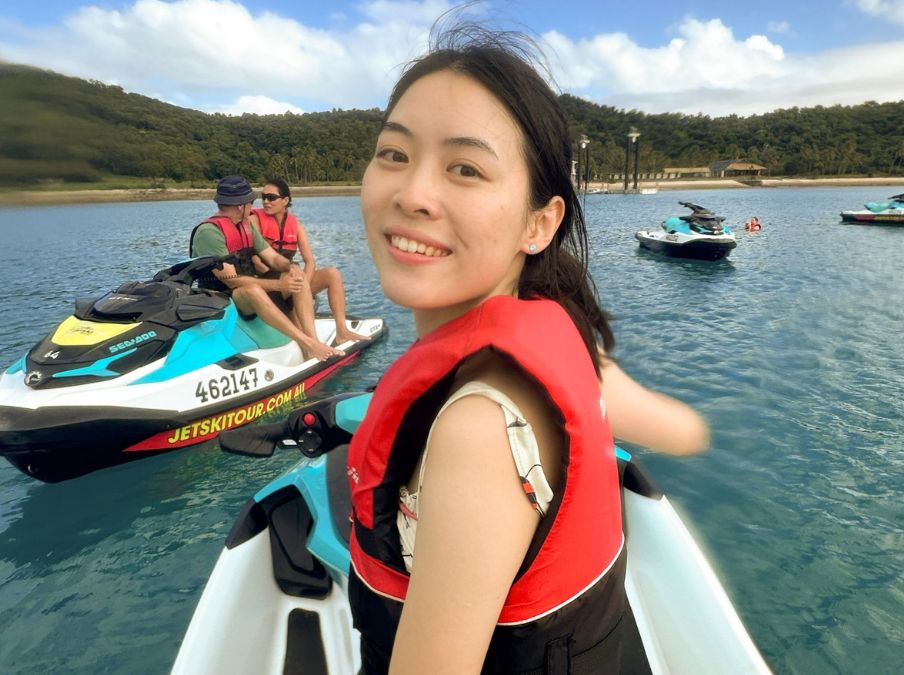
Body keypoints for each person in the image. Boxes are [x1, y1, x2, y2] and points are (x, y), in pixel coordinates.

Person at [346, 26, 709, 673]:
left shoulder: (478, 432)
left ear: (541, 222)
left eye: (465, 168)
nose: (412, 193)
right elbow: (677, 429)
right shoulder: (562, 324)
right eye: (394, 155)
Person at [188, 175, 342, 361]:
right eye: (251, 202)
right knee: (253, 290)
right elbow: (231, 280)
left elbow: (272, 257)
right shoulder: (209, 233)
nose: (254, 207)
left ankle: (313, 343)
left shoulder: (244, 226)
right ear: (240, 205)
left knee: (297, 277)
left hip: (247, 289)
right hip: (223, 296)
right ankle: (306, 343)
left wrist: (290, 267)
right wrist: (279, 286)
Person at [249, 178, 369, 345]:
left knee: (332, 274)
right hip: (269, 285)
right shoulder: (254, 220)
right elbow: (254, 258)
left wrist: (305, 286)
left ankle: (342, 331)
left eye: (271, 197)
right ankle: (312, 345)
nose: (266, 201)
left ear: (285, 200)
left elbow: (310, 261)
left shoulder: (296, 225)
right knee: (300, 330)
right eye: (263, 197)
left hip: (293, 283)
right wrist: (299, 284)